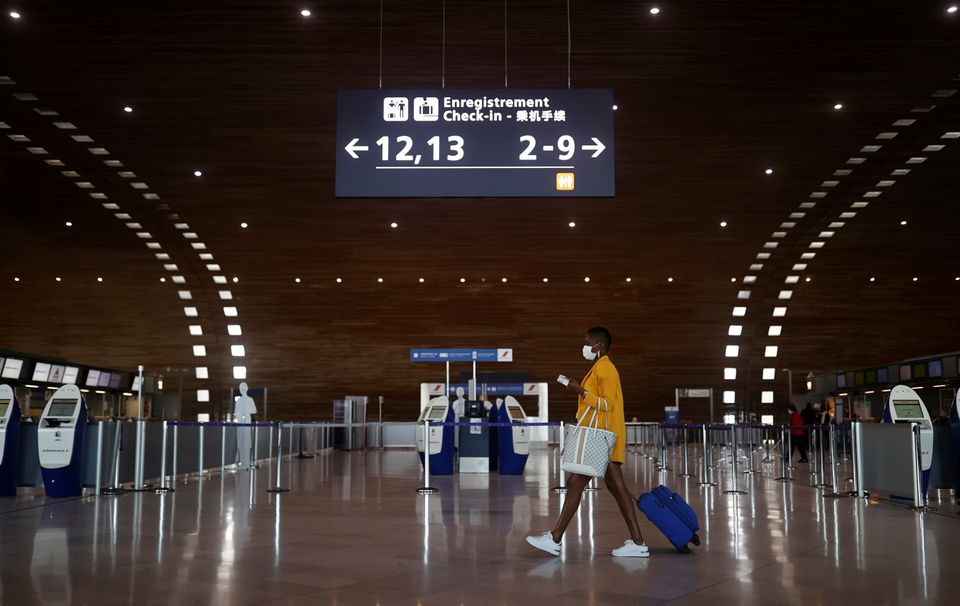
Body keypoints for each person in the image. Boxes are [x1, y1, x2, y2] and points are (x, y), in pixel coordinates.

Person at [526, 327, 648, 558]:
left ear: (598, 346)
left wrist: (579, 390)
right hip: (603, 437)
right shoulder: (599, 368)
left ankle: (555, 538)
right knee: (612, 488)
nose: (584, 347)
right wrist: (579, 389)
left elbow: (606, 404)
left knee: (576, 482)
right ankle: (638, 542)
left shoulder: (606, 369)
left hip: (602, 438)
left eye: (587, 342)